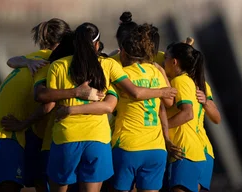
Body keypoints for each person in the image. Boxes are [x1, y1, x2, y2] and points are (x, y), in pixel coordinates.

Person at [45, 22, 177, 192]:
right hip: (105, 140)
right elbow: (136, 97)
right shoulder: (116, 66)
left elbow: (45, 99)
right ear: (97, 44)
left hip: (74, 137)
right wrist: (162, 90)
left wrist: (71, 106)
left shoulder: (59, 65)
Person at [0, 18, 94, 192]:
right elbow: (47, 103)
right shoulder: (52, 64)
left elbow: (11, 60)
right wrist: (23, 124)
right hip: (5, 134)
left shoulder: (33, 58)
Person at [164, 42, 209, 192]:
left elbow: (187, 113)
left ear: (174, 62)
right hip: (192, 152)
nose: (163, 63)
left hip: (183, 151)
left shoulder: (179, 81)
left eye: (166, 59)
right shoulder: (189, 80)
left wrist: (160, 127)